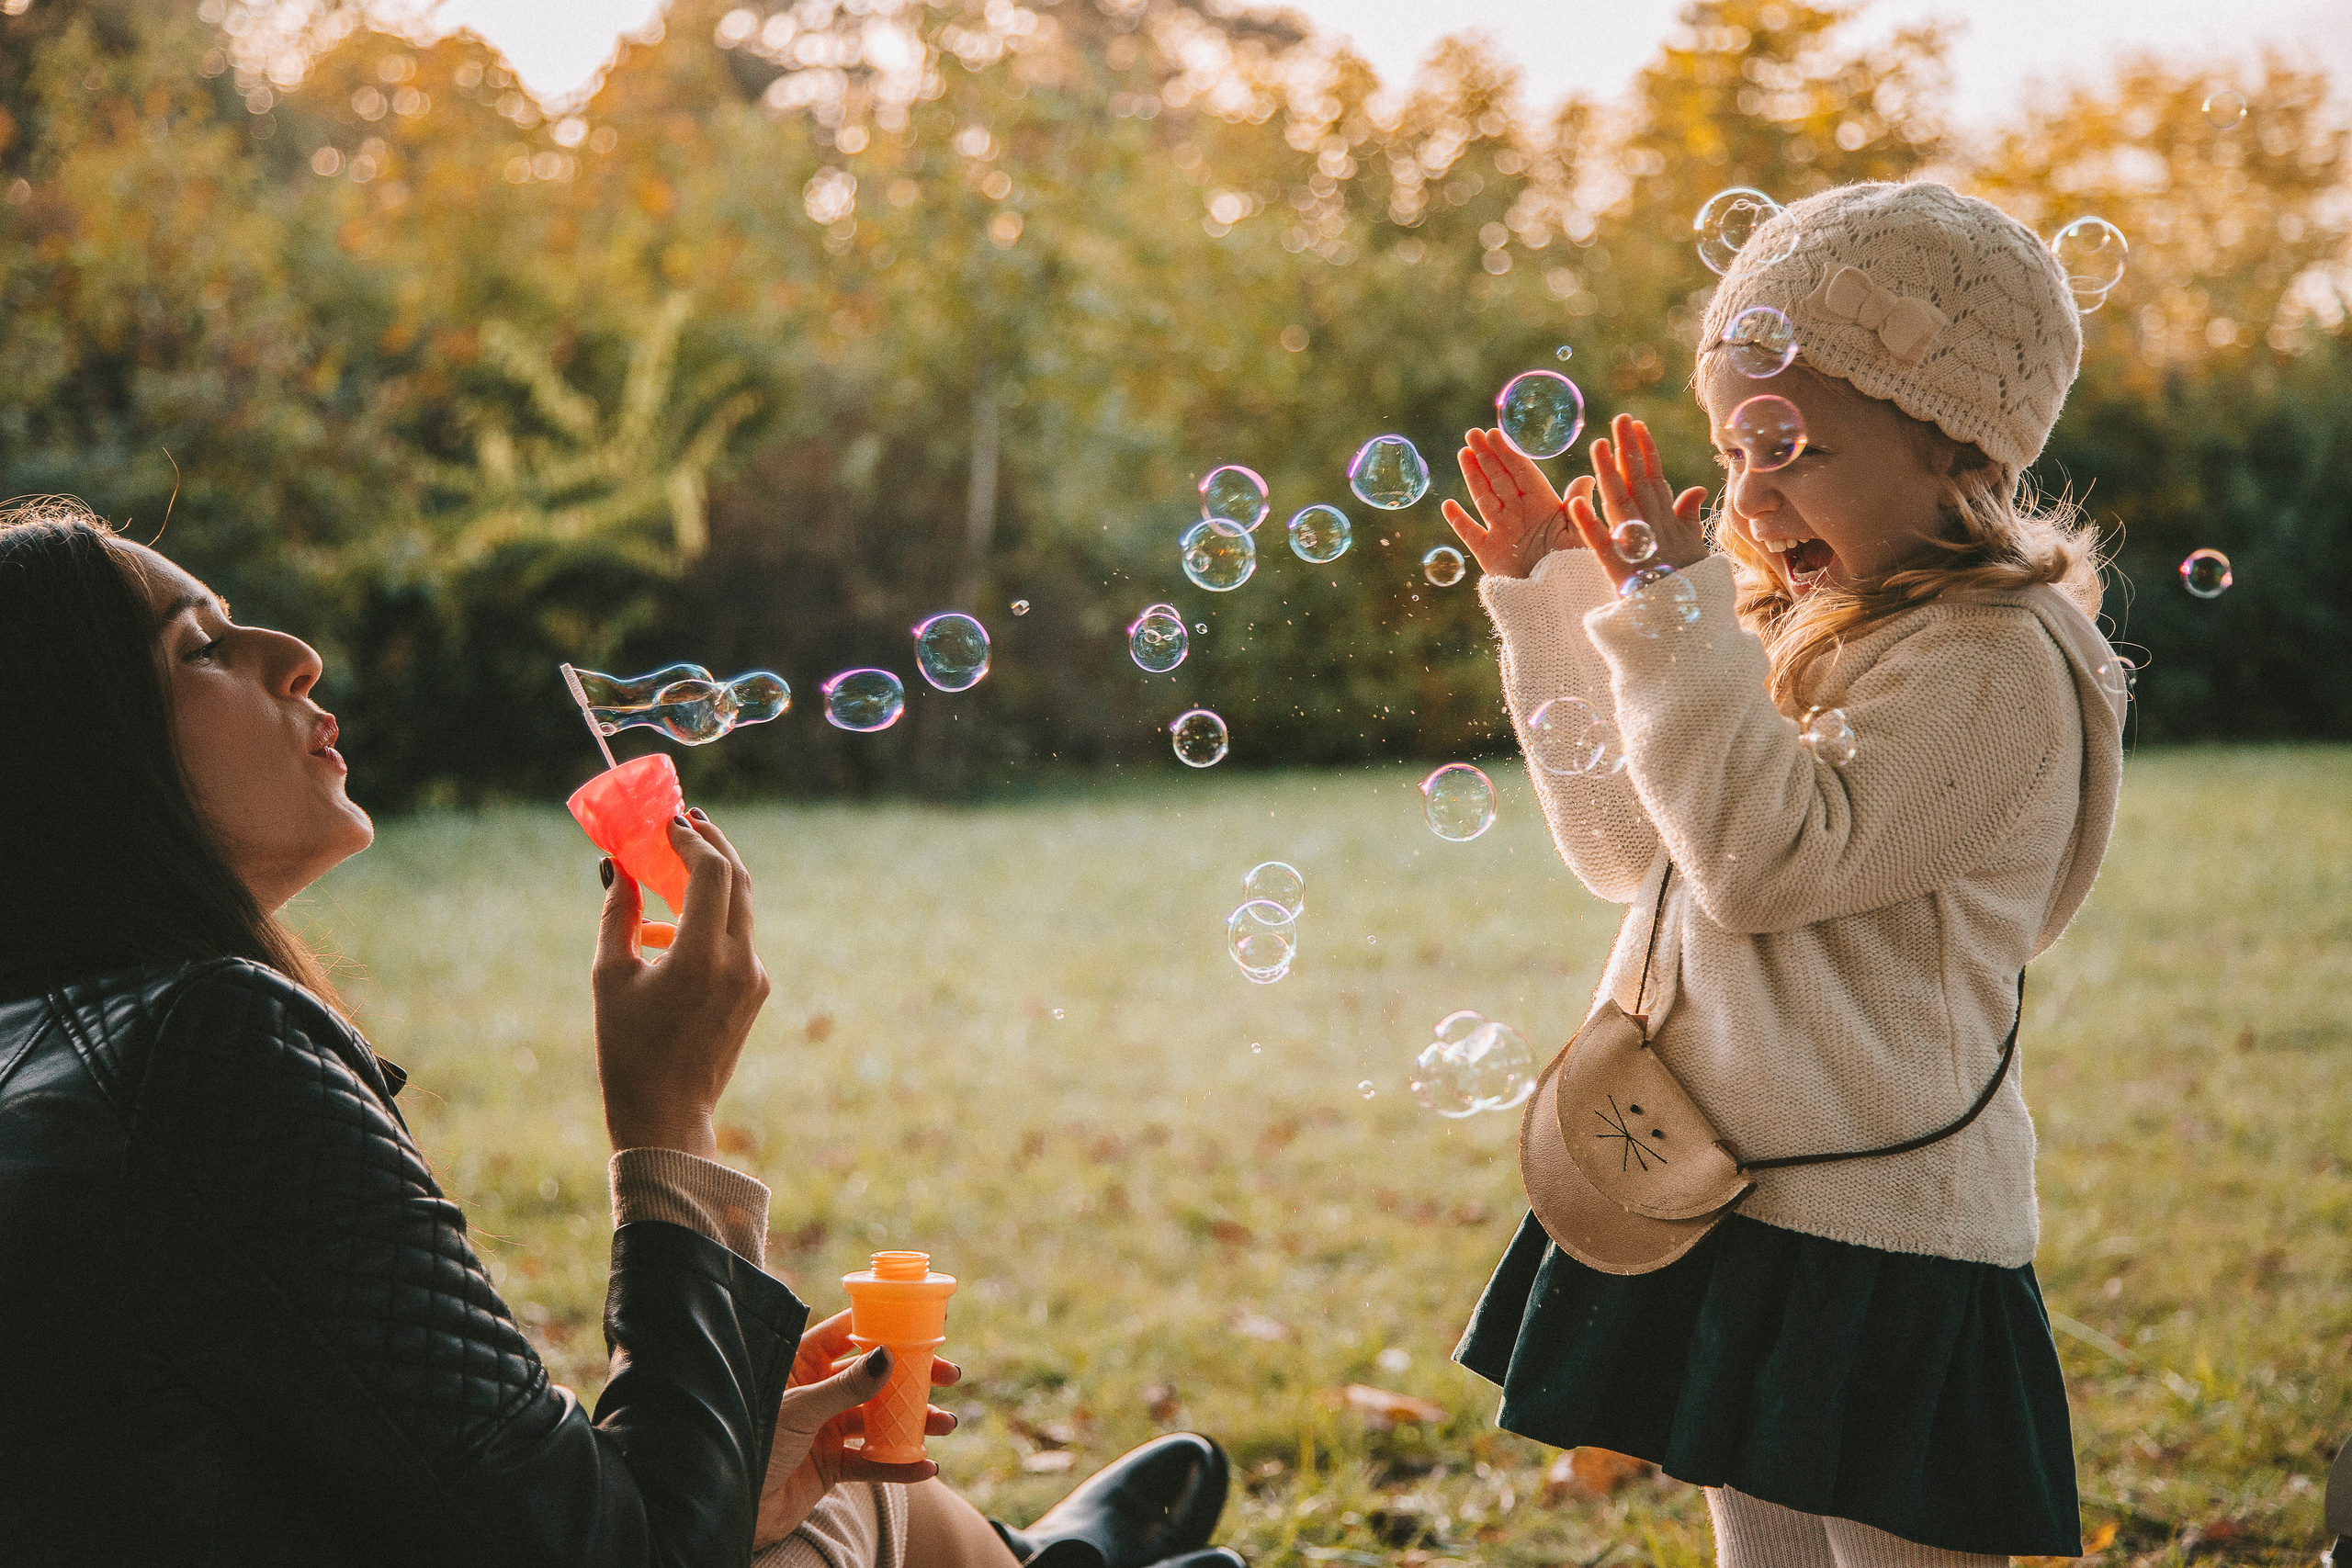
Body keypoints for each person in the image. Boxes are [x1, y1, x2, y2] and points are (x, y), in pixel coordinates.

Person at [0, 498, 1239, 1568]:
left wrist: (730, 1455)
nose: (299, 655)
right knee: (874, 1523)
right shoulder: (205, 1054)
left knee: (844, 1486)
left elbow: (423, 1495)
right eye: (201, 647)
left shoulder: (56, 1052)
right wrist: (668, 1121)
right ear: (81, 758)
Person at [1439, 181, 2127, 1562]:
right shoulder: (1814, 630)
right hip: (1738, 1198)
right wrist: (1558, 602)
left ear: (1956, 446)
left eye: (1791, 449)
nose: (1747, 498)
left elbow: (1762, 862)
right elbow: (1635, 851)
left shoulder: (1992, 667)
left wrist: (1681, 617)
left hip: (1889, 1238)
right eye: (1730, 450)